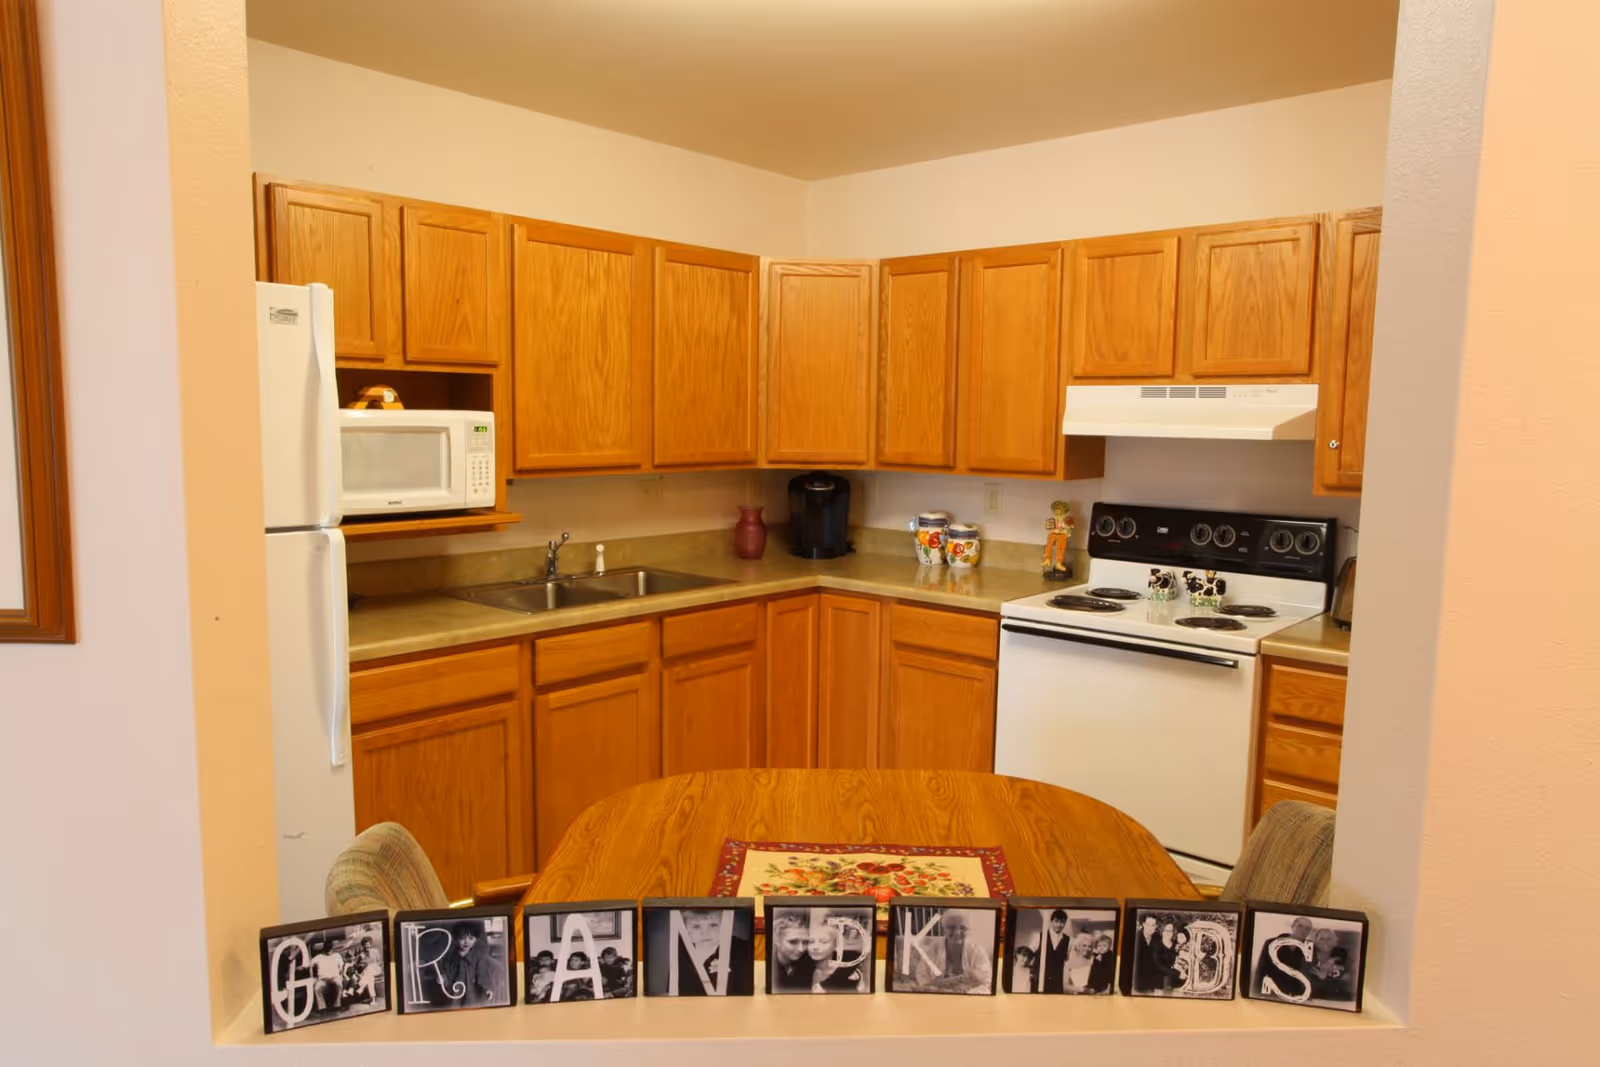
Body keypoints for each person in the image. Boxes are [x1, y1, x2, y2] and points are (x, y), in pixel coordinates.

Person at [905, 909, 992, 994]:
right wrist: (932, 988)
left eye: (962, 927)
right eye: (951, 927)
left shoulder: (977, 950)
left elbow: (986, 979)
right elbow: (922, 974)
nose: (957, 932)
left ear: (968, 929)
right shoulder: (934, 947)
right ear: (944, 928)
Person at [672, 909, 752, 996]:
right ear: (684, 930)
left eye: (713, 925)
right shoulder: (674, 952)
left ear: (727, 926)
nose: (705, 933)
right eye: (696, 926)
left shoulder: (744, 950)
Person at [439, 922, 501, 1007]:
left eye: (471, 938)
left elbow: (483, 974)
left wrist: (488, 988)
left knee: (472, 1006)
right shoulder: (452, 956)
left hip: (472, 992)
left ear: (476, 939)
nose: (466, 942)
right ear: (456, 939)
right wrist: (443, 979)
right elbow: (448, 972)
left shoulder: (478, 956)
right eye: (462, 938)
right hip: (456, 990)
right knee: (455, 1006)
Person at [808, 922, 867, 993]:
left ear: (835, 945)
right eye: (811, 941)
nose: (815, 947)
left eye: (824, 942)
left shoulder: (849, 975)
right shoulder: (803, 967)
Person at [769, 914, 815, 991]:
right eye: (793, 942)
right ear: (777, 941)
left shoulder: (809, 962)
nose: (801, 949)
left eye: (805, 942)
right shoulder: (770, 969)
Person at [1037, 910, 1071, 993]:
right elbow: (1029, 952)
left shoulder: (1068, 940)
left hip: (1058, 978)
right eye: (1056, 921)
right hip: (1041, 977)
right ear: (1051, 921)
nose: (1059, 925)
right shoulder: (1041, 935)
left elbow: (1068, 960)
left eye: (1062, 922)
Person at [308, 941, 345, 1012]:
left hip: (334, 978)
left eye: (330, 949)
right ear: (324, 949)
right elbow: (309, 964)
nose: (329, 951)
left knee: (339, 985)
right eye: (327, 949)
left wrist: (340, 974)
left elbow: (341, 968)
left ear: (332, 948)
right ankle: (322, 1008)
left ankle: (337, 1006)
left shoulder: (337, 956)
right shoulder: (319, 957)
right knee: (317, 988)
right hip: (323, 980)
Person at [1150, 921, 1182, 992]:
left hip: (1176, 978)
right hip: (1161, 979)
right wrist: (1177, 973)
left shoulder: (1177, 944)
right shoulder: (1156, 945)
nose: (1169, 933)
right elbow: (1158, 965)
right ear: (1162, 931)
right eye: (1166, 930)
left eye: (1171, 930)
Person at [1132, 915, 1162, 993]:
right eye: (1148, 925)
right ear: (1143, 924)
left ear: (1156, 926)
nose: (1150, 928)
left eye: (1153, 925)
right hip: (1137, 981)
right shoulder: (1135, 938)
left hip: (1153, 980)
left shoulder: (1158, 938)